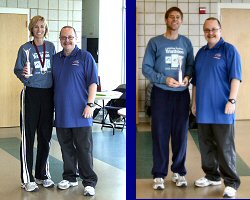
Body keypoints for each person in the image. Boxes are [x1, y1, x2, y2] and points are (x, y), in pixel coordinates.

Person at [142, 7, 194, 190]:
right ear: (166, 20)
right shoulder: (155, 42)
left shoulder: (186, 43)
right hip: (161, 94)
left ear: (181, 21)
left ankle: (179, 172)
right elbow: (146, 68)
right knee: (160, 134)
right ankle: (159, 174)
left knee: (180, 134)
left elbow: (190, 66)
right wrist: (164, 79)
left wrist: (187, 77)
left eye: (178, 17)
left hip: (181, 95)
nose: (174, 19)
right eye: (171, 17)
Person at [191, 17, 241, 198]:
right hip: (204, 110)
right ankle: (212, 176)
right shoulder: (201, 53)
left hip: (222, 110)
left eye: (214, 29)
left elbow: (235, 77)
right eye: (207, 30)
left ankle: (232, 182)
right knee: (206, 146)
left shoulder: (229, 50)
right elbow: (195, 82)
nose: (210, 33)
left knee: (224, 148)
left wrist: (232, 100)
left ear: (220, 30)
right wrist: (194, 102)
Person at [52, 26, 98, 196]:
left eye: (70, 37)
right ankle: (70, 177)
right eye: (64, 37)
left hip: (81, 113)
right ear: (60, 39)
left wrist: (90, 104)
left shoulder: (86, 57)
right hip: (62, 113)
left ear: (76, 38)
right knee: (66, 148)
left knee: (84, 148)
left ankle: (89, 181)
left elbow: (93, 82)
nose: (67, 40)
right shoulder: (55, 59)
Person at [14, 15, 56, 192]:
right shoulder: (25, 49)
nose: (39, 29)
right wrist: (23, 73)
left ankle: (41, 174)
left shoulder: (52, 47)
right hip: (31, 94)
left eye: (42, 26)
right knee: (29, 137)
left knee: (45, 136)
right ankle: (27, 177)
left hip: (48, 95)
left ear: (46, 29)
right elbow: (17, 70)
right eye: (36, 27)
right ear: (31, 29)